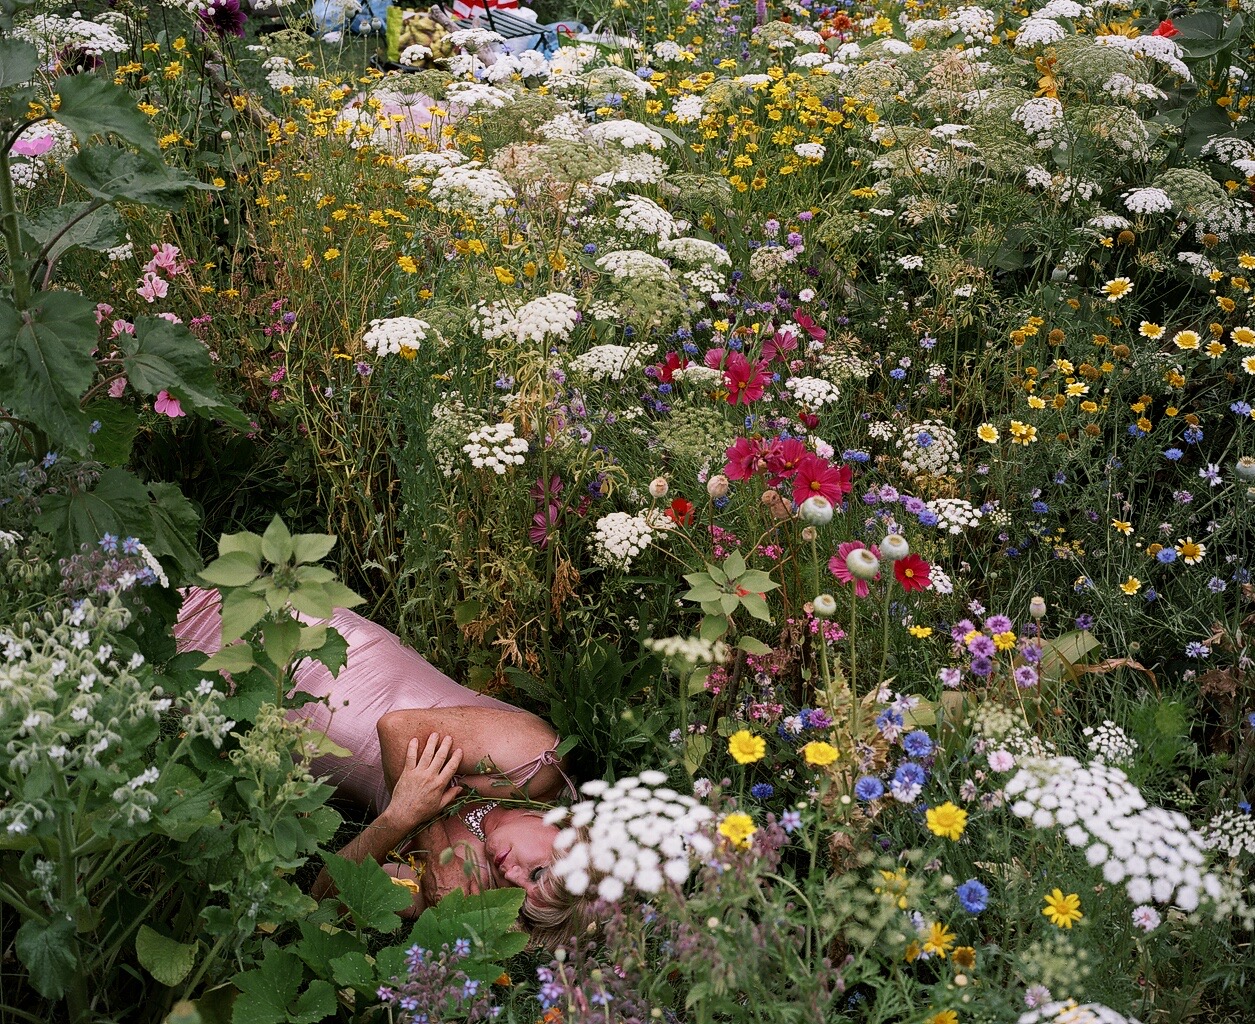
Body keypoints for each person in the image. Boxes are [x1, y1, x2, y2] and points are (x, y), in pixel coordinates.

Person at [174, 588, 593, 944]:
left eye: (520, 897)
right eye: (537, 873)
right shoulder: (538, 763)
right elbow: (398, 728)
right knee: (157, 599)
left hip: (262, 719)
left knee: (157, 670)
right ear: (571, 834)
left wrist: (398, 819)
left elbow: (326, 901)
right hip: (318, 652)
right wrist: (433, 842)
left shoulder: (461, 886)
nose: (512, 876)